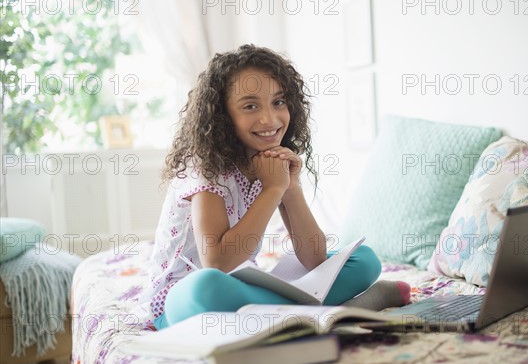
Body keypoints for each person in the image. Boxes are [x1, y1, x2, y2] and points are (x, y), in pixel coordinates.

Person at [136, 45, 410, 330]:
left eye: (279, 102)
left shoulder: (271, 161)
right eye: (250, 106)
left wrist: (289, 187)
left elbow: (315, 258)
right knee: (206, 286)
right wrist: (271, 190)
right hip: (183, 303)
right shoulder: (205, 168)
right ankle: (329, 311)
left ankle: (292, 315)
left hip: (243, 289)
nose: (269, 119)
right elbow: (217, 263)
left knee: (364, 261)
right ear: (222, 116)